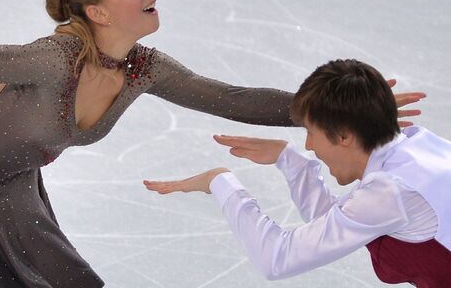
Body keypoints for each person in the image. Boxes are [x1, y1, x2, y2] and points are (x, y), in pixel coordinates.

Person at [0, 0, 424, 287]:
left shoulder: (143, 69)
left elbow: (234, 98)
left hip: (11, 183)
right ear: (98, 12)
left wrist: (337, 106)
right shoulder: (56, 58)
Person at [145, 59, 450, 287]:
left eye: (311, 131)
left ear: (344, 135)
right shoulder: (420, 146)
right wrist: (288, 159)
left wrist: (219, 182)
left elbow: (277, 258)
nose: (309, 144)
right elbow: (337, 223)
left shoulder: (390, 192)